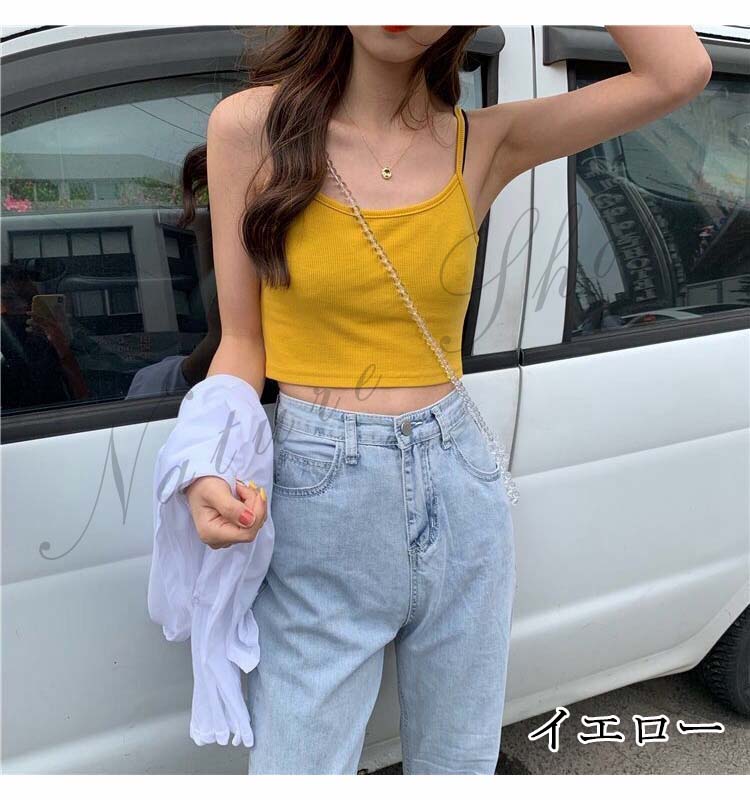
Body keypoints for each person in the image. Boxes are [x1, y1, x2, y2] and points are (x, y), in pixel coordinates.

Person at [176, 25, 712, 774]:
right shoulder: (252, 127)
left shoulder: (482, 142)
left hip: (461, 483)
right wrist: (206, 464)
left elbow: (676, 72)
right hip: (320, 494)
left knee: (459, 765)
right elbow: (241, 342)